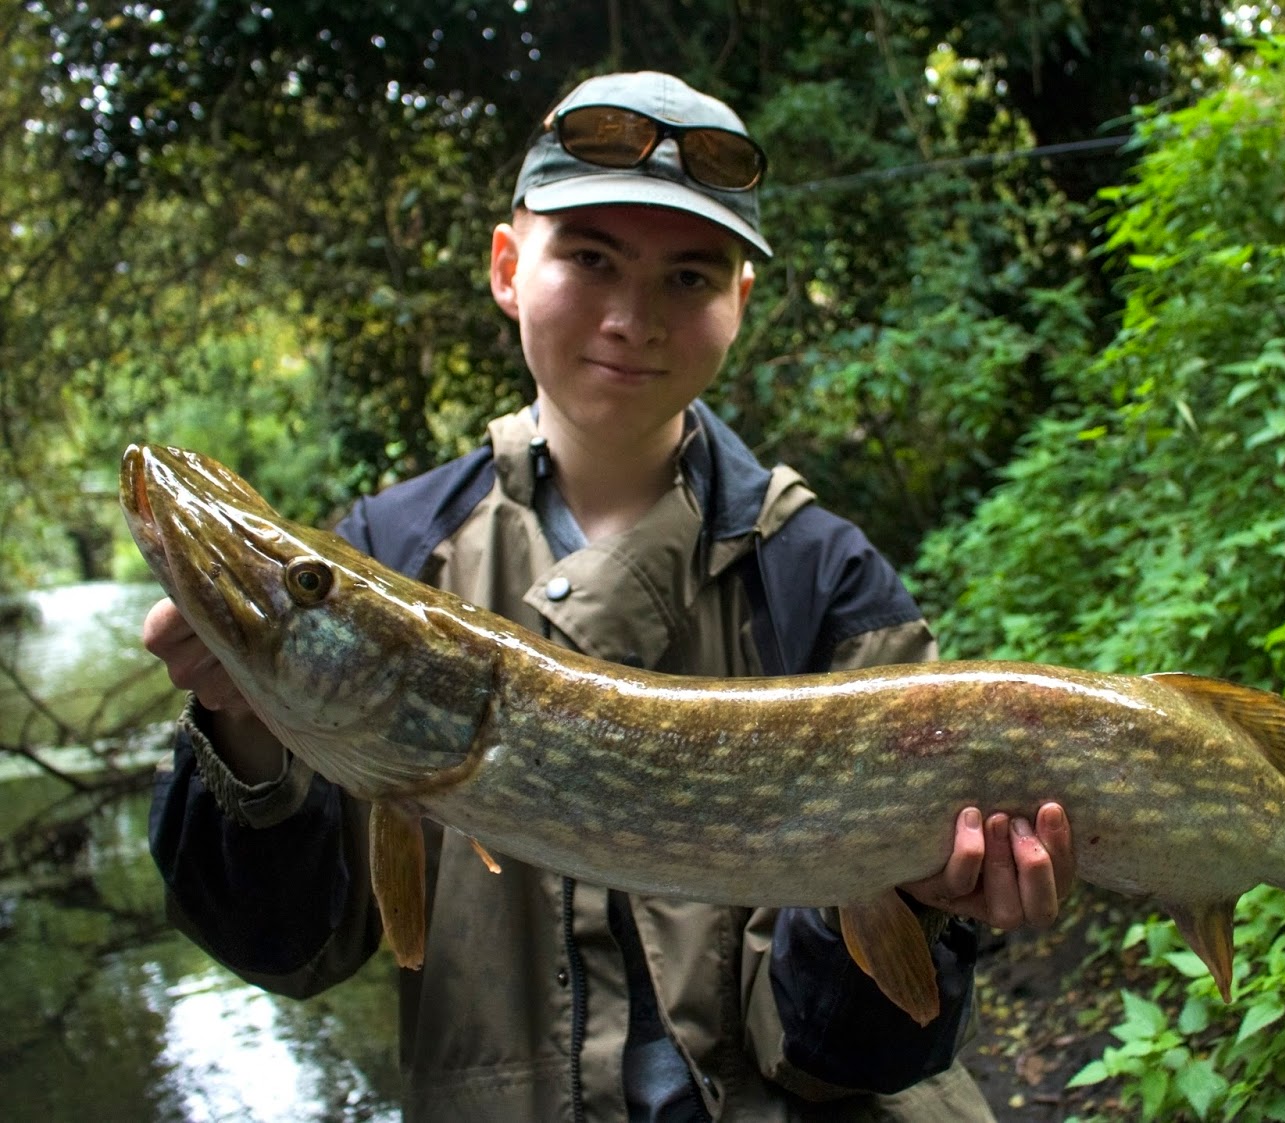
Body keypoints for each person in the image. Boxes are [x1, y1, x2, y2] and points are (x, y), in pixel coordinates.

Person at [142, 70, 1074, 1122]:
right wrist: (243, 734)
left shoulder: (824, 578)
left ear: (738, 305)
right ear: (508, 268)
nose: (633, 318)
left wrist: (920, 903)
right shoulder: (391, 553)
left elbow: (850, 1052)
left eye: (689, 276)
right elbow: (287, 947)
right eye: (590, 259)